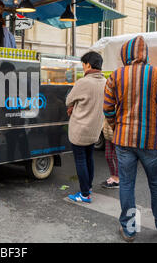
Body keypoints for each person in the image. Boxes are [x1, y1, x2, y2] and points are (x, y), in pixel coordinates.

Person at [103, 35, 157, 242]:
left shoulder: (115, 76)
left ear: (125, 54)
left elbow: (108, 109)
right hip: (152, 141)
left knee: (127, 184)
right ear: (145, 54)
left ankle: (129, 230)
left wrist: (117, 127)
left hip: (123, 141)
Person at [66, 51, 107, 203]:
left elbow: (68, 100)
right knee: (89, 157)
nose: (83, 68)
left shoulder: (84, 82)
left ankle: (84, 194)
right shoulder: (105, 82)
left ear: (88, 64)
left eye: (83, 64)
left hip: (80, 129)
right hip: (95, 129)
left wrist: (72, 106)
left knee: (81, 160)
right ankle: (88, 187)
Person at [101, 118, 119, 189]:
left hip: (116, 134)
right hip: (107, 134)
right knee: (108, 156)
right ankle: (113, 176)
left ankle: (117, 179)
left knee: (116, 157)